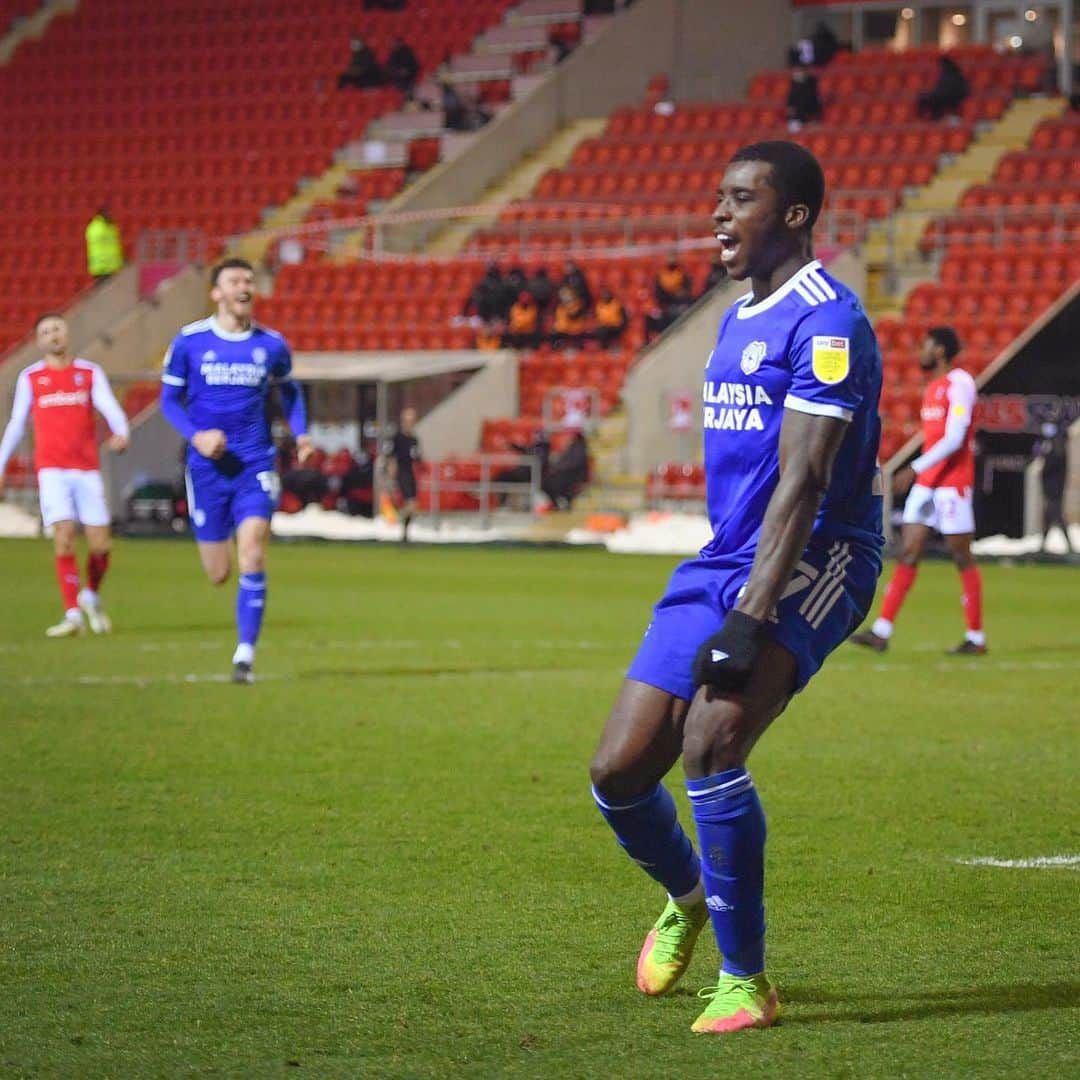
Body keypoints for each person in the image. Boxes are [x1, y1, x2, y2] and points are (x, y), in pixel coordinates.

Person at [589, 140, 883, 1035]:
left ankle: (746, 980)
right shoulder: (737, 313)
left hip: (816, 554)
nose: (719, 215)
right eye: (718, 198)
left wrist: (752, 621)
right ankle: (689, 894)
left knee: (713, 738)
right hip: (724, 557)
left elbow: (804, 480)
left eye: (741, 199)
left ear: (793, 215)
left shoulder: (827, 320)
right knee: (619, 770)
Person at [159, 258, 311, 684]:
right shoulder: (190, 342)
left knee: (253, 551)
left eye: (249, 280)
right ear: (216, 292)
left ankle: (244, 655)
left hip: (255, 464)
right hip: (206, 470)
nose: (244, 286)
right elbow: (169, 401)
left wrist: (300, 435)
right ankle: (217, 551)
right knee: (218, 573)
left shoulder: (272, 345)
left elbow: (291, 393)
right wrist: (197, 436)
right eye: (234, 280)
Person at [851, 326, 985, 655]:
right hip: (927, 486)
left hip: (952, 485)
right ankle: (882, 631)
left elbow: (954, 440)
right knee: (908, 551)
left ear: (940, 350)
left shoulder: (960, 384)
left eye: (926, 345)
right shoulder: (933, 389)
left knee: (961, 556)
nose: (921, 351)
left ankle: (976, 637)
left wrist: (915, 467)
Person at [0, 314, 130, 636]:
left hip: (86, 469)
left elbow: (109, 405)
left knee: (101, 545)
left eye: (57, 329)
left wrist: (121, 431)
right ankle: (72, 614)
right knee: (64, 535)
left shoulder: (88, 373)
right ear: (38, 341)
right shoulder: (31, 378)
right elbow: (17, 424)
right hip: (52, 470)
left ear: (67, 333)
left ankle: (91, 595)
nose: (53, 335)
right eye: (46, 332)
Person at [1033, 419, 1073, 553]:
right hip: (1051, 487)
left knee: (1055, 515)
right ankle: (1045, 545)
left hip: (1055, 488)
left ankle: (1069, 546)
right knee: (1049, 516)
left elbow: (1053, 466)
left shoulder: (1057, 446)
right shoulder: (1051, 445)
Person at [382, 406, 421, 541]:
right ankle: (398, 525)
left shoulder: (414, 440)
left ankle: (404, 531)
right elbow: (391, 458)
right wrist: (391, 478)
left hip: (410, 473)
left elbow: (417, 458)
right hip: (401, 473)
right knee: (409, 503)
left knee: (413, 505)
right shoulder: (397, 438)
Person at [645, 252, 693, 340]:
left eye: (673, 257)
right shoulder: (661, 275)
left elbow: (686, 290)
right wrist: (672, 295)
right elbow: (658, 294)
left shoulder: (682, 273)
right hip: (666, 306)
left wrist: (679, 294)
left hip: (680, 305)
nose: (671, 260)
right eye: (670, 258)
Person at [542, 428, 589, 508]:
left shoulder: (579, 448)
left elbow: (572, 464)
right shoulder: (573, 447)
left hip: (573, 478)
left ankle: (562, 503)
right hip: (566, 476)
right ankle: (558, 503)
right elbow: (565, 461)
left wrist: (558, 468)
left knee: (548, 483)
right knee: (546, 482)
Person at [916, 56, 969, 121]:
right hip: (944, 96)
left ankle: (934, 119)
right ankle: (928, 119)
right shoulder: (946, 74)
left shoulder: (950, 75)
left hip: (952, 98)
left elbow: (947, 89)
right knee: (928, 98)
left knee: (934, 100)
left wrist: (935, 94)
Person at [85, 206, 124, 284]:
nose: (111, 215)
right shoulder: (96, 228)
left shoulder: (111, 227)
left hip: (112, 267)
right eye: (108, 213)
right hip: (101, 267)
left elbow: (115, 246)